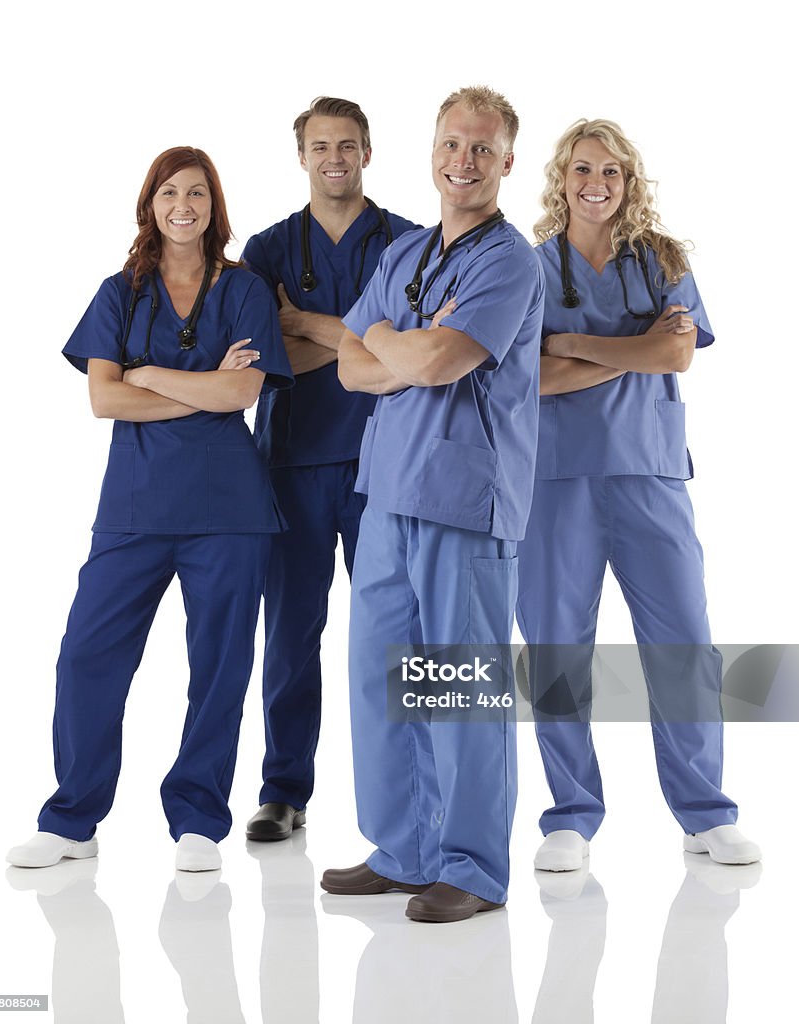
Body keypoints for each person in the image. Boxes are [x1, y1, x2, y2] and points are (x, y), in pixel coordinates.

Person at [7, 147, 293, 872]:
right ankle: (72, 817)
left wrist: (152, 375)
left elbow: (242, 395)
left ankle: (198, 818)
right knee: (87, 655)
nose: (184, 205)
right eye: (170, 192)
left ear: (213, 206)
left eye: (197, 192)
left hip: (230, 510)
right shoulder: (120, 292)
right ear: (151, 203)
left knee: (220, 667)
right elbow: (105, 398)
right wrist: (200, 385)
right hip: (134, 508)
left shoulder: (246, 288)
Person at [321, 86, 544, 922]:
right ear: (433, 151)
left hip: (464, 501)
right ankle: (403, 848)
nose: (464, 161)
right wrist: (394, 343)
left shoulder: (510, 261)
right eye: (453, 144)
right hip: (387, 495)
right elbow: (349, 362)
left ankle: (474, 868)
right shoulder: (406, 252)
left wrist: (398, 345)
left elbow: (443, 363)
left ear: (506, 162)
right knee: (383, 681)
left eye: (482, 149)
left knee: (456, 689)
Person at [515, 119, 761, 871]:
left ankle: (704, 812)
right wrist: (634, 348)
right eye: (582, 168)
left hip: (650, 472)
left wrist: (578, 342)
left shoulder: (662, 258)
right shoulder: (527, 269)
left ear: (630, 182)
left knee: (684, 641)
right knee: (557, 648)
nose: (596, 183)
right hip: (555, 480)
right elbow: (527, 377)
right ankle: (571, 815)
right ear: (562, 178)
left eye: (612, 172)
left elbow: (678, 351)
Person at [242, 97, 419, 842]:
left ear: (368, 152)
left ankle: (417, 793)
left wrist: (307, 326)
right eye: (321, 146)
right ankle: (284, 790)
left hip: (389, 463)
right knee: (289, 636)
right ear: (303, 156)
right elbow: (258, 360)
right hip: (292, 464)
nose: (334, 157)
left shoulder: (412, 241)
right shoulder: (267, 248)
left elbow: (419, 351)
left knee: (400, 638)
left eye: (347, 144)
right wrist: (364, 338)